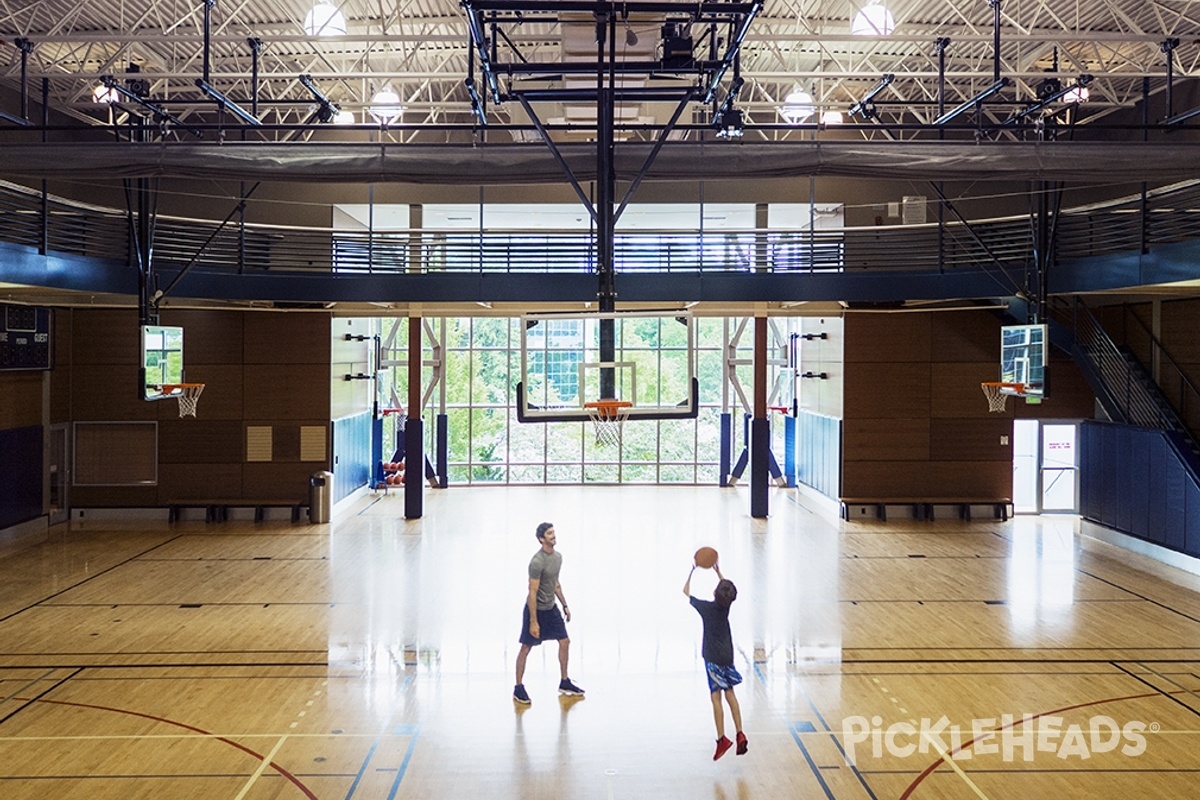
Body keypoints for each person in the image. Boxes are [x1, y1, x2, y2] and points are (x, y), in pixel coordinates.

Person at [513, 522, 584, 704]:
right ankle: (518, 687)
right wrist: (533, 621)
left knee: (565, 641)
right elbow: (532, 592)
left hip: (551, 608)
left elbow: (555, 584)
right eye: (549, 534)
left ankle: (564, 681)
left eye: (554, 532)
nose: (553, 536)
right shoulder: (537, 562)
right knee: (526, 648)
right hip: (535, 610)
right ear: (541, 539)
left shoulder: (558, 558)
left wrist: (565, 605)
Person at [684, 556, 747, 760]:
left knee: (715, 697)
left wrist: (693, 570)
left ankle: (722, 740)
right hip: (727, 655)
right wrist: (718, 572)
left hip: (712, 657)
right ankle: (740, 733)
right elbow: (726, 588)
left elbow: (686, 592)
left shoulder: (706, 608)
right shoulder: (725, 607)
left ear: (714, 594)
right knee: (730, 693)